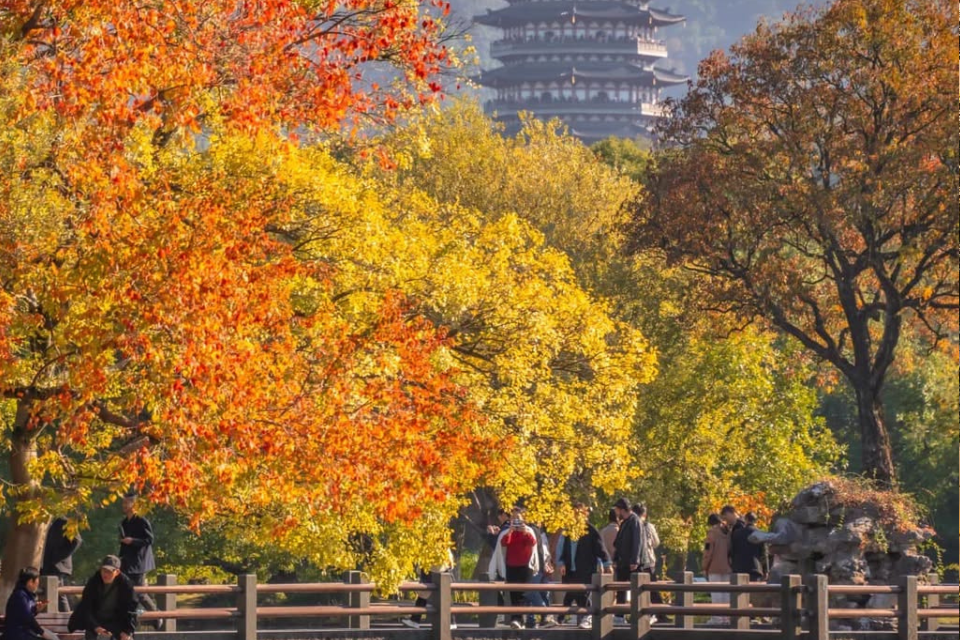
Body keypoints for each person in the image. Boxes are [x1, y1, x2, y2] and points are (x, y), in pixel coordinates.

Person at [557, 503, 611, 628]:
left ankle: (582, 617)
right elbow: (561, 547)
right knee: (571, 592)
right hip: (571, 568)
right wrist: (561, 563)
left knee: (582, 593)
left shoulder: (590, 529)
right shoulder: (568, 529)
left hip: (585, 567)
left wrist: (606, 562)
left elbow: (600, 547)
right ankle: (564, 617)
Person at [488, 507, 540, 629]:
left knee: (522, 594)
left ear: (523, 519)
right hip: (511, 566)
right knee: (513, 594)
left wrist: (525, 532)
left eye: (518, 518)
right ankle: (517, 620)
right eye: (513, 517)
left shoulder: (529, 531)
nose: (516, 520)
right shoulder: (507, 532)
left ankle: (518, 619)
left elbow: (533, 543)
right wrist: (510, 531)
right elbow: (504, 543)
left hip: (525, 567)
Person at [67, 555, 137, 640]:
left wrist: (127, 632)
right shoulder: (94, 582)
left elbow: (131, 609)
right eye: (104, 570)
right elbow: (86, 607)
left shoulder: (126, 585)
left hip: (116, 621)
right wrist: (95, 627)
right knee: (90, 632)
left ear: (117, 572)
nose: (105, 574)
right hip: (96, 620)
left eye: (109, 571)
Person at [117, 493, 160, 630]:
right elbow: (124, 544)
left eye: (126, 503)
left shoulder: (141, 520)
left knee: (140, 593)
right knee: (126, 593)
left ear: (134, 505)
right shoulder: (124, 522)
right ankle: (130, 623)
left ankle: (156, 616)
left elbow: (149, 540)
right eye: (123, 503)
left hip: (139, 563)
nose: (124, 506)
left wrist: (133, 541)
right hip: (127, 562)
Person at [2, 566, 60, 640]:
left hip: (24, 634)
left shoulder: (25, 595)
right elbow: (28, 619)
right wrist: (43, 633)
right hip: (17, 636)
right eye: (37, 579)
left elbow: (24, 615)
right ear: (30, 582)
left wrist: (36, 610)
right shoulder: (20, 596)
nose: (38, 582)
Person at [41, 517, 83, 613]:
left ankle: (66, 621)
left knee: (59, 593)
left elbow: (77, 540)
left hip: (57, 565)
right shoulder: (44, 520)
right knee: (47, 592)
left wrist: (59, 556)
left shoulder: (63, 521)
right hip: (46, 564)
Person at [632, 503, 664, 621]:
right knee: (653, 588)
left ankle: (647, 613)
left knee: (639, 589)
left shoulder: (631, 525)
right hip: (649, 561)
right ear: (644, 513)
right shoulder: (648, 526)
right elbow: (656, 542)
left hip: (636, 562)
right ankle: (659, 613)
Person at [610, 497, 639, 624]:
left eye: (617, 509)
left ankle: (635, 616)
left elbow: (637, 542)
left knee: (634, 590)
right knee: (621, 589)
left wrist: (634, 560)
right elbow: (619, 543)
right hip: (622, 561)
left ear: (622, 509)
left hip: (630, 562)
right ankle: (619, 616)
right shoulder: (624, 522)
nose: (616, 512)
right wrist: (615, 558)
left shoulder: (634, 521)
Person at [702, 513, 731, 626]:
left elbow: (708, 551)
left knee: (716, 594)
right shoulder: (728, 532)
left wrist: (704, 566)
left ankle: (717, 618)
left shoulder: (712, 533)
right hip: (728, 567)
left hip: (714, 567)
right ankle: (727, 618)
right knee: (727, 594)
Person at [730, 511, 766, 582]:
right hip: (755, 568)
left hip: (739, 568)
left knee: (739, 592)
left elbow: (732, 551)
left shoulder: (736, 533)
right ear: (756, 521)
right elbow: (764, 553)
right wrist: (765, 570)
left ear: (745, 519)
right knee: (753, 592)